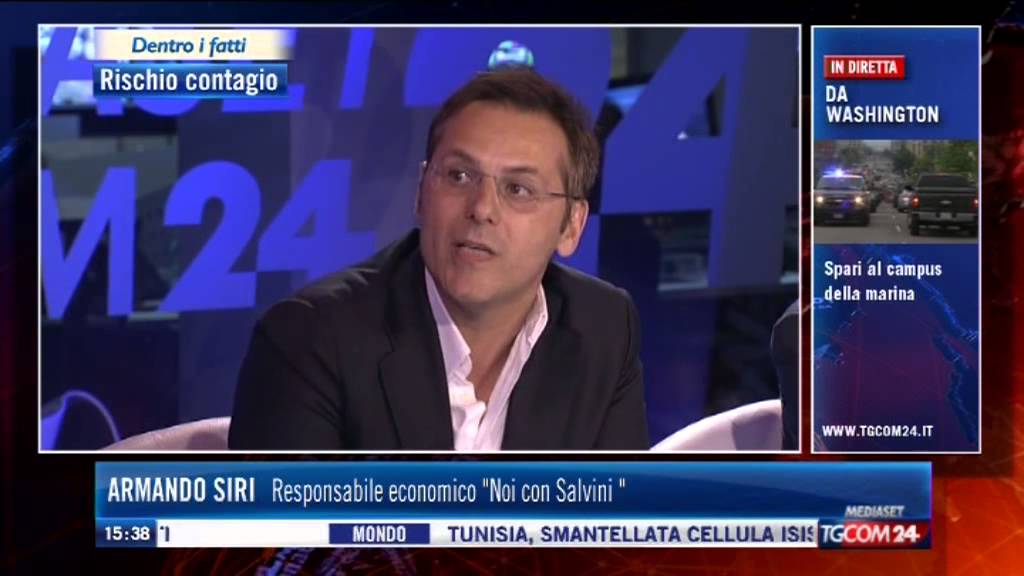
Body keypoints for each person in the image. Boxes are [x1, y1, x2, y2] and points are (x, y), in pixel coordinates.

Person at [229, 68, 648, 450]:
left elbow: (620, 506)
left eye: (518, 189)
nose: (481, 208)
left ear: (572, 225)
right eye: (459, 176)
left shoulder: (605, 327)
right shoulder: (311, 339)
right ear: (421, 191)